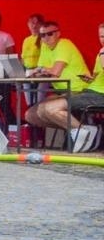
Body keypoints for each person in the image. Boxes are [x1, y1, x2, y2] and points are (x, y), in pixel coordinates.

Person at [25, 22, 104, 151]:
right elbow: (96, 75)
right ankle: (81, 129)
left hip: (82, 91)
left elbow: (55, 72)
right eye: (42, 35)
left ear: (58, 33)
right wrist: (90, 78)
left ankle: (83, 131)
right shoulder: (45, 47)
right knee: (31, 115)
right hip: (88, 90)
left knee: (49, 109)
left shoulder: (65, 44)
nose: (46, 38)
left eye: (49, 34)